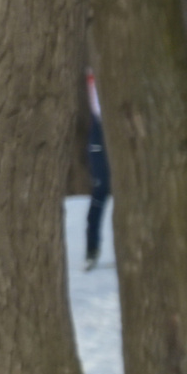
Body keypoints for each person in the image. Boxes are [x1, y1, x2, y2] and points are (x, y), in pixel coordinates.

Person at [83, 69, 111, 270]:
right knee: (100, 191)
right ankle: (91, 250)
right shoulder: (93, 69)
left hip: (119, 126)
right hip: (99, 132)